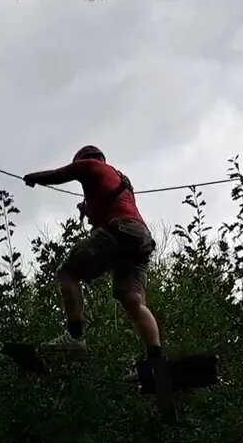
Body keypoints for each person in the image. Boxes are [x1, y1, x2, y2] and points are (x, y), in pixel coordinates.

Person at [22, 145, 164, 377]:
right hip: (140, 240)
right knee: (133, 301)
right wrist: (87, 210)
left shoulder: (91, 166)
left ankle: (75, 337)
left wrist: (35, 178)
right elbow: (102, 215)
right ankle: (155, 361)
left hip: (120, 230)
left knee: (68, 274)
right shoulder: (120, 181)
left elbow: (61, 174)